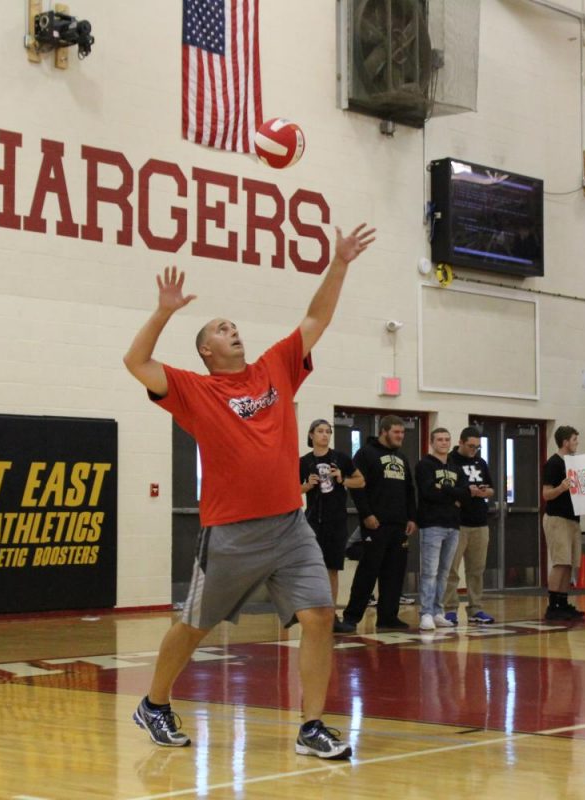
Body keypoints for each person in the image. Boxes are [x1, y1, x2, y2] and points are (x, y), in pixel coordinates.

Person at [122, 223, 375, 758]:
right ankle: (154, 704)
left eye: (234, 325)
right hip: (231, 535)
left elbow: (317, 318)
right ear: (207, 350)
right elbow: (136, 364)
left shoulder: (274, 368)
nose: (232, 330)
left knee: (320, 615)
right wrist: (164, 311)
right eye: (220, 328)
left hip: (289, 525)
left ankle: (311, 726)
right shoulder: (196, 390)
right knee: (195, 625)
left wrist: (340, 263)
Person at [345, 415, 417, 633]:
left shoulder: (402, 458)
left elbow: (409, 490)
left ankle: (388, 617)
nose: (400, 437)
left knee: (395, 573)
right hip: (375, 524)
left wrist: (412, 517)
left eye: (402, 433)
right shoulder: (366, 454)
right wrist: (366, 514)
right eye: (396, 432)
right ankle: (351, 617)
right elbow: (356, 486)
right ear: (384, 431)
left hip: (399, 525)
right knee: (368, 571)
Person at [300, 419, 365, 634]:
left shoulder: (341, 458)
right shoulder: (303, 462)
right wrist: (306, 486)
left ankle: (330, 614)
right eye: (320, 431)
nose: (325, 435)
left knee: (332, 568)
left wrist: (343, 479)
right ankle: (310, 611)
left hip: (336, 520)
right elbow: (290, 490)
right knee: (312, 568)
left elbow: (361, 481)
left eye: (328, 431)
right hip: (313, 521)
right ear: (311, 435)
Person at [415, 428, 468, 631]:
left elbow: (464, 493)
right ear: (431, 442)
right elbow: (428, 492)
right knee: (429, 572)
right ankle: (426, 613)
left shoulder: (455, 467)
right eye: (439, 439)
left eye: (447, 439)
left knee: (444, 572)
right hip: (432, 524)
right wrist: (452, 495)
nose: (444, 443)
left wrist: (444, 489)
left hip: (453, 525)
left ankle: (438, 611)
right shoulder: (424, 465)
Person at [442, 427, 496, 626]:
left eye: (477, 447)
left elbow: (491, 489)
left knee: (476, 569)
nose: (474, 450)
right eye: (471, 446)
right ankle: (449, 609)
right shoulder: (450, 461)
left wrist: (484, 492)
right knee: (451, 570)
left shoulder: (480, 462)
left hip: (480, 522)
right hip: (458, 523)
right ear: (461, 442)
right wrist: (465, 492)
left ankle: (475, 608)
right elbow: (447, 489)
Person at [542, 425, 585, 621]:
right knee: (560, 562)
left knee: (569, 563)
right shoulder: (554, 463)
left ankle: (562, 601)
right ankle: (552, 605)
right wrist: (561, 487)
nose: (576, 443)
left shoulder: (574, 464)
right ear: (565, 442)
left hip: (572, 517)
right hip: (557, 518)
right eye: (574, 440)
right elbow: (546, 494)